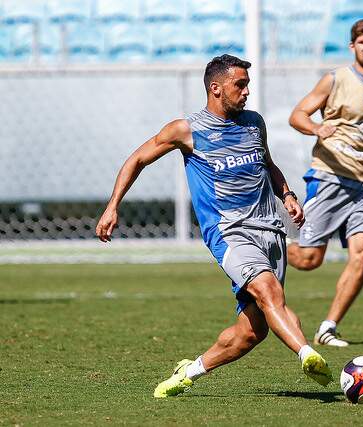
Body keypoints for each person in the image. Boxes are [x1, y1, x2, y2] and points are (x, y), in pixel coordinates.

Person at [95, 54, 333, 398]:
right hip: (229, 233)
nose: (247, 91)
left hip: (271, 232)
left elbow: (267, 164)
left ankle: (187, 372)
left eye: (247, 84)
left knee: (252, 331)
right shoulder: (186, 130)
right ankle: (307, 354)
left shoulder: (254, 122)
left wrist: (287, 195)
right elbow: (137, 159)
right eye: (241, 84)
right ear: (215, 88)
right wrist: (112, 206)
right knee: (270, 293)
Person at [286, 19, 363, 347]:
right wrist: (317, 129)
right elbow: (298, 115)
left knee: (362, 254)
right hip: (330, 177)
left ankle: (328, 327)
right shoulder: (335, 80)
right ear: (353, 47)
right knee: (309, 260)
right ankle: (270, 245)